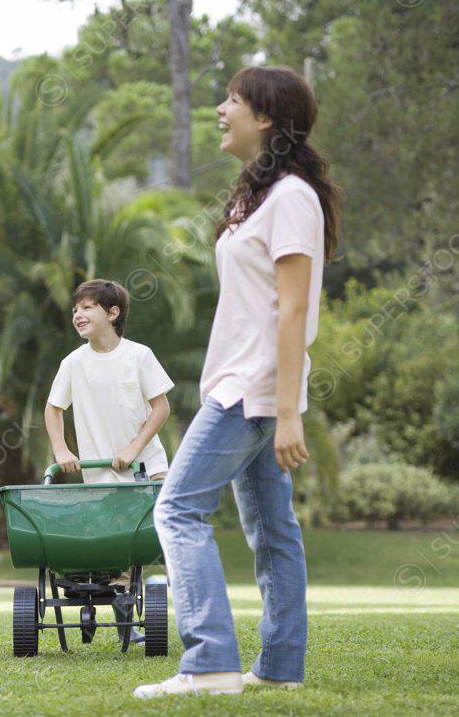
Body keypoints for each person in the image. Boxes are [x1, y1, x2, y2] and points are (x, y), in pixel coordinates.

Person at [134, 66, 340, 698]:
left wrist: (288, 411)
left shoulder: (292, 199)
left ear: (267, 117)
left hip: (250, 389)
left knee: (177, 508)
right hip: (247, 382)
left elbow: (295, 308)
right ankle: (279, 668)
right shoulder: (260, 196)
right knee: (274, 530)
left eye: (233, 100)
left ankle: (210, 664)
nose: (220, 109)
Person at [45, 279, 174, 484]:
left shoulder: (139, 355)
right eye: (74, 310)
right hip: (100, 478)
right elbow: (53, 408)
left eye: (87, 307)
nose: (78, 315)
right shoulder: (72, 363)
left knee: (158, 516)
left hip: (148, 470)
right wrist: (60, 450)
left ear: (113, 313)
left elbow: (161, 408)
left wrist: (133, 450)